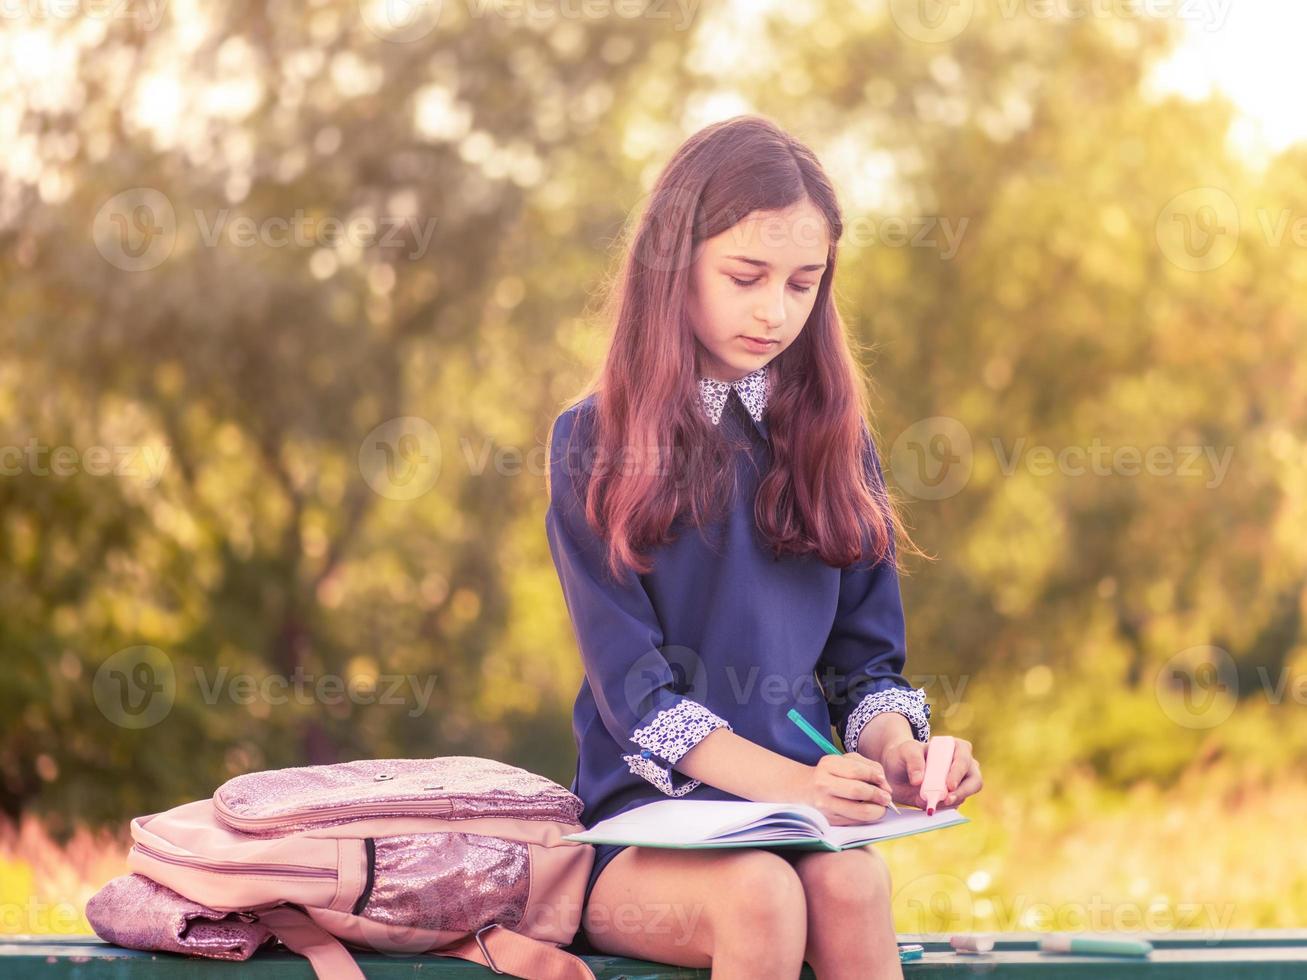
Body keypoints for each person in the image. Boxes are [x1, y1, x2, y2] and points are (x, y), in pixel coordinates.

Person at [544, 115, 983, 979]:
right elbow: (637, 696)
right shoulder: (592, 442)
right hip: (643, 834)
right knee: (760, 894)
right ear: (674, 264)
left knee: (853, 886)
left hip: (801, 823)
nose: (773, 310)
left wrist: (899, 755)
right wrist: (795, 786)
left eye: (802, 283)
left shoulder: (832, 441)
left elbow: (866, 670)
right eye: (745, 276)